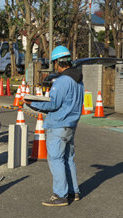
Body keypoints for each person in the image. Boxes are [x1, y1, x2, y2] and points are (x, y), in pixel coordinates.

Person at [24, 45, 84, 207]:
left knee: (56, 159)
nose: (54, 67)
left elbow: (53, 104)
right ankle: (73, 191)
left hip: (58, 125)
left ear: (59, 62)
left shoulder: (62, 81)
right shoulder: (79, 81)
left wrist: (32, 103)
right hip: (71, 125)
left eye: (54, 63)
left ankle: (60, 195)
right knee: (68, 158)